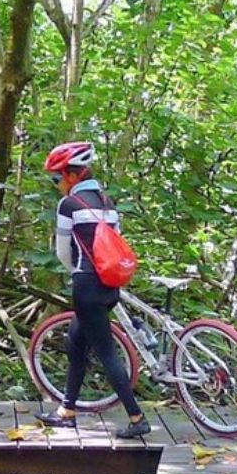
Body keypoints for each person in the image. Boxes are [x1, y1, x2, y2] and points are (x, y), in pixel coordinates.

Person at [38, 141, 150, 440]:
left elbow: (63, 252)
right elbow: (116, 245)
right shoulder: (108, 203)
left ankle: (137, 416)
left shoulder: (69, 205)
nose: (56, 185)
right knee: (75, 342)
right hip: (110, 285)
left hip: (87, 286)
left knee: (106, 352)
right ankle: (66, 411)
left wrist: (77, 272)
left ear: (72, 176)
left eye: (56, 178)